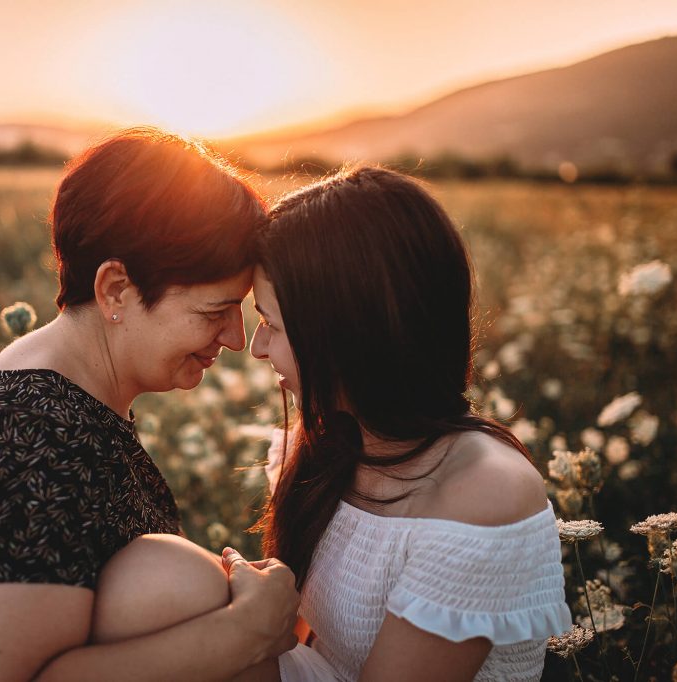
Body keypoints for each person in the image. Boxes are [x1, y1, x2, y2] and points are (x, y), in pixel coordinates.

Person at [0, 128, 299, 681]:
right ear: (115, 290)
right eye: (213, 311)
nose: (232, 337)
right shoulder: (41, 437)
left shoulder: (43, 384)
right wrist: (243, 633)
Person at [244, 166, 572, 681]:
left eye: (270, 324)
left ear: (348, 331)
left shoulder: (483, 493)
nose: (257, 347)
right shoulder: (332, 449)